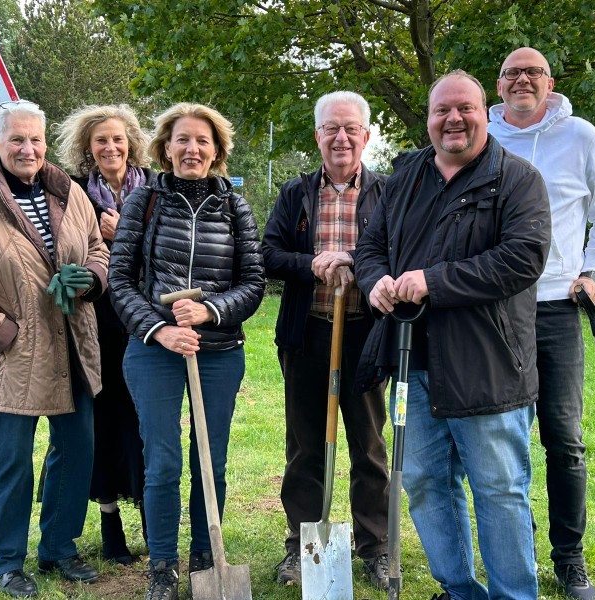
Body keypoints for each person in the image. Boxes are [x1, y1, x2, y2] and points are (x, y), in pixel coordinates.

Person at [355, 70, 551, 600]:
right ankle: (460, 589)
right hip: (410, 363)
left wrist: (432, 282)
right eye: (442, 110)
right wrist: (374, 283)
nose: (453, 119)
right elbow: (370, 246)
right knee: (423, 484)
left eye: (464, 107)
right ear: (428, 118)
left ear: (483, 112)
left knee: (499, 490)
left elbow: (522, 259)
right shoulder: (403, 179)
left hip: (487, 364)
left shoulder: (517, 179)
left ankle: (514, 595)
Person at [0, 100, 109, 598]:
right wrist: (3, 333)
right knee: (12, 461)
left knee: (76, 450)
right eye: (16, 140)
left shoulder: (69, 192)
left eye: (35, 139)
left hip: (73, 346)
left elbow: (97, 246)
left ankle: (59, 546)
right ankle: (8, 560)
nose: (28, 148)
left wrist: (91, 277)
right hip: (13, 357)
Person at [108, 102, 265, 600]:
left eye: (202, 140)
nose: (192, 148)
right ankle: (162, 566)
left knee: (209, 458)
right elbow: (119, 280)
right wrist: (160, 330)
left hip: (219, 351)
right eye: (182, 139)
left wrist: (212, 312)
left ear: (216, 150)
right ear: (165, 147)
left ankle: (204, 553)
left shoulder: (234, 206)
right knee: (163, 461)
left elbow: (254, 281)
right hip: (154, 349)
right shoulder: (144, 200)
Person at [488, 47, 595, 600]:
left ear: (550, 82)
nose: (522, 80)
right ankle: (515, 551)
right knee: (505, 438)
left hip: (559, 308)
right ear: (498, 86)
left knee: (564, 439)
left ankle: (569, 559)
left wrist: (592, 269)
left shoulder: (582, 137)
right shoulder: (483, 137)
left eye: (533, 72)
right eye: (512, 73)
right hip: (495, 308)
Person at [262, 91, 392, 589]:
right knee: (305, 446)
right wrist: (311, 264)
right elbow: (269, 254)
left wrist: (359, 266)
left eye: (350, 128)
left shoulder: (387, 191)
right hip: (307, 334)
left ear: (365, 134)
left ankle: (375, 546)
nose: (341, 138)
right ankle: (302, 544)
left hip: (365, 334)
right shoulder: (296, 194)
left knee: (370, 444)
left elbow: (400, 250)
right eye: (331, 129)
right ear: (317, 136)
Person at [52, 104, 155, 564]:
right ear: (88, 149)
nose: (110, 147)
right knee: (106, 425)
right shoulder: (73, 195)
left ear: (131, 141)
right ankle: (111, 525)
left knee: (150, 426)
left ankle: (155, 522)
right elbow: (64, 252)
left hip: (150, 324)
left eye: (117, 139)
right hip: (97, 328)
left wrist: (129, 231)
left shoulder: (156, 188)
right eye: (100, 141)